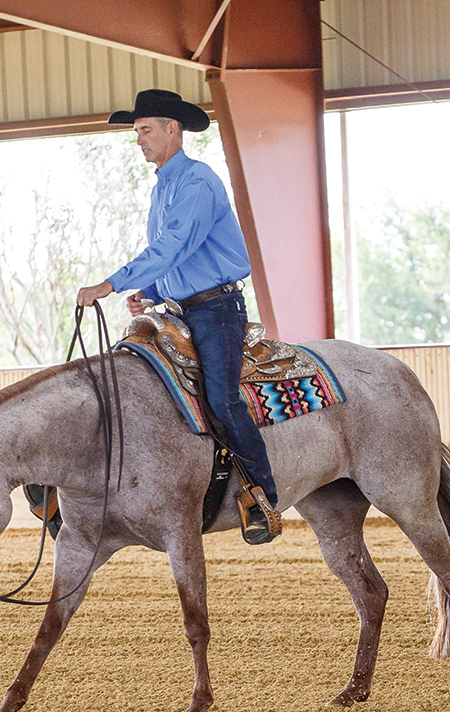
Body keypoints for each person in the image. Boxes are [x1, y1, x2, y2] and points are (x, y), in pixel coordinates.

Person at [76, 89, 281, 544]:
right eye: (135, 132)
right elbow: (175, 258)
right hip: (179, 311)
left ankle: (263, 497)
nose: (139, 140)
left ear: (174, 129)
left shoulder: (198, 181)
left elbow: (173, 247)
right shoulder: (163, 187)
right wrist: (148, 292)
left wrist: (111, 285)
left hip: (216, 310)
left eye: (145, 130)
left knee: (224, 399)